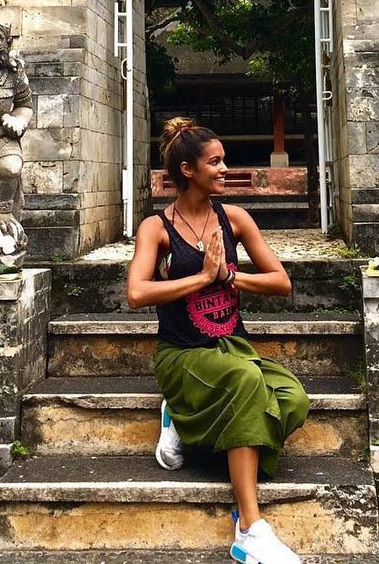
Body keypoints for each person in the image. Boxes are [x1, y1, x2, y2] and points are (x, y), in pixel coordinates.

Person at [126, 117, 310, 564]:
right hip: (182, 353)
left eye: (224, 160)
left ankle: (187, 420)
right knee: (246, 383)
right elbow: (136, 293)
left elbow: (281, 282)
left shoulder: (236, 219)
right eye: (216, 162)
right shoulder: (158, 227)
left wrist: (229, 276)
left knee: (292, 399)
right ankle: (249, 527)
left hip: (232, 346)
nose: (225, 168)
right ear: (188, 170)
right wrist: (201, 277)